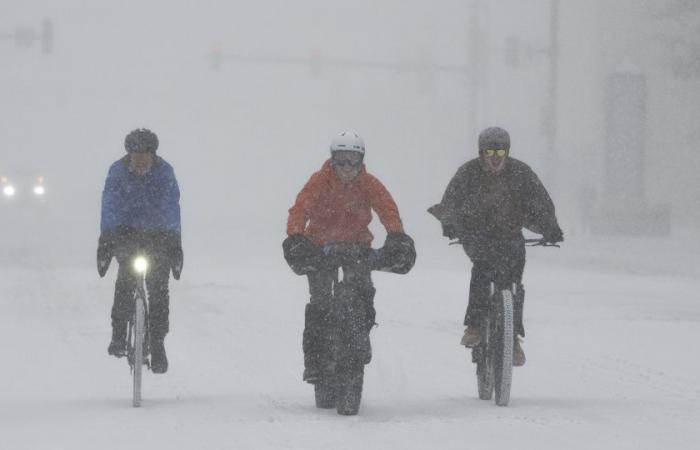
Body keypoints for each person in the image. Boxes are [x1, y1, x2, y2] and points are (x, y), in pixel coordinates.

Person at [283, 131, 415, 383]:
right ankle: (314, 361)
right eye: (341, 160)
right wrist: (296, 236)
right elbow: (300, 209)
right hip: (320, 248)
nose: (347, 167)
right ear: (333, 160)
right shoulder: (319, 181)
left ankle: (360, 337)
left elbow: (387, 208)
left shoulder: (369, 183)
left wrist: (396, 234)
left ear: (361, 161)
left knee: (364, 293)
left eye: (352, 160)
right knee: (319, 302)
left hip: (357, 247)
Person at [429, 127, 562, 366]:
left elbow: (540, 202)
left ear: (507, 152)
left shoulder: (521, 173)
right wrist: (449, 223)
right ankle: (475, 325)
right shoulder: (467, 173)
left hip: (510, 234)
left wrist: (550, 227)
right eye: (490, 151)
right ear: (481, 153)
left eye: (501, 151)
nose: (495, 156)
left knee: (514, 281)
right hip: (476, 234)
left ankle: (513, 338)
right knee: (482, 268)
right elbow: (450, 201)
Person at [96, 128, 183, 374]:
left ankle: (157, 344)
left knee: (158, 288)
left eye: (145, 157)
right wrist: (107, 239)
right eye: (136, 158)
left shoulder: (165, 173)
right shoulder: (117, 172)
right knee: (125, 280)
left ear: (153, 155)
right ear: (129, 156)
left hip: (158, 235)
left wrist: (174, 241)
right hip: (126, 234)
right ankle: (118, 335)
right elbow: (109, 204)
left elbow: (171, 207)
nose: (141, 162)